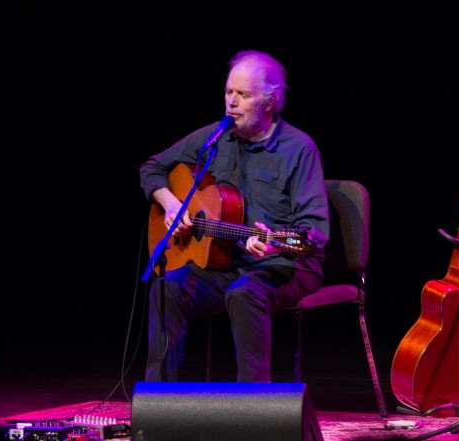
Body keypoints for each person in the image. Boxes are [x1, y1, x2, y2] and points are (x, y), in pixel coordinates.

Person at [139, 49, 330, 382]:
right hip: (227, 261)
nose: (232, 102)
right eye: (229, 92)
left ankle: (251, 410)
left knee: (244, 294)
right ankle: (159, 403)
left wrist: (275, 246)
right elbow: (152, 167)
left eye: (243, 95)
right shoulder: (216, 137)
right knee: (165, 288)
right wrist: (170, 203)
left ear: (269, 102)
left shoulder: (299, 149)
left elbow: (313, 231)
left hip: (287, 264)